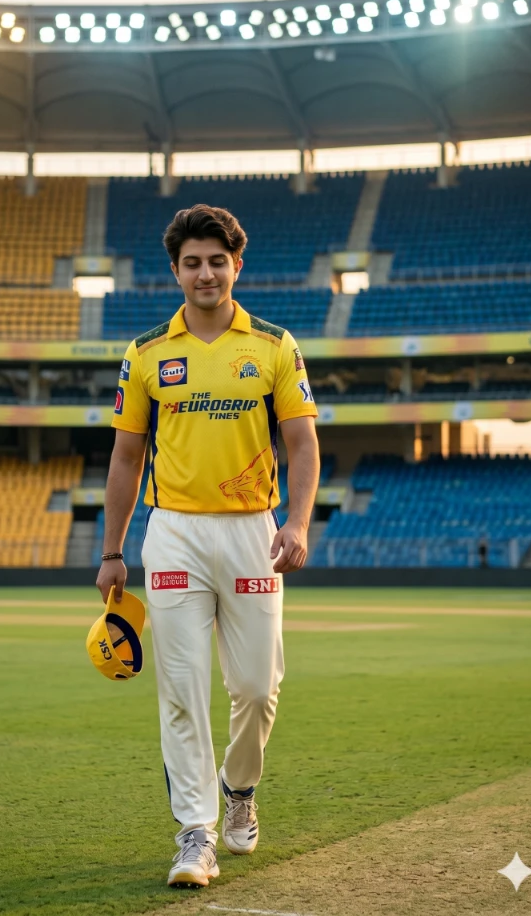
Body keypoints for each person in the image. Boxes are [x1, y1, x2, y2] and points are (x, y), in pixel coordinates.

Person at [96, 204, 320, 888]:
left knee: (256, 688)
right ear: (175, 271)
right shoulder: (145, 353)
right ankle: (194, 834)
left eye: (216, 261)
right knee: (182, 689)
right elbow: (126, 459)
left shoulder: (274, 346)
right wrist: (112, 550)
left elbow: (303, 443)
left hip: (254, 529)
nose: (205, 273)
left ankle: (239, 791)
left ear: (235, 267)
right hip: (174, 533)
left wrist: (298, 522)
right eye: (192, 262)